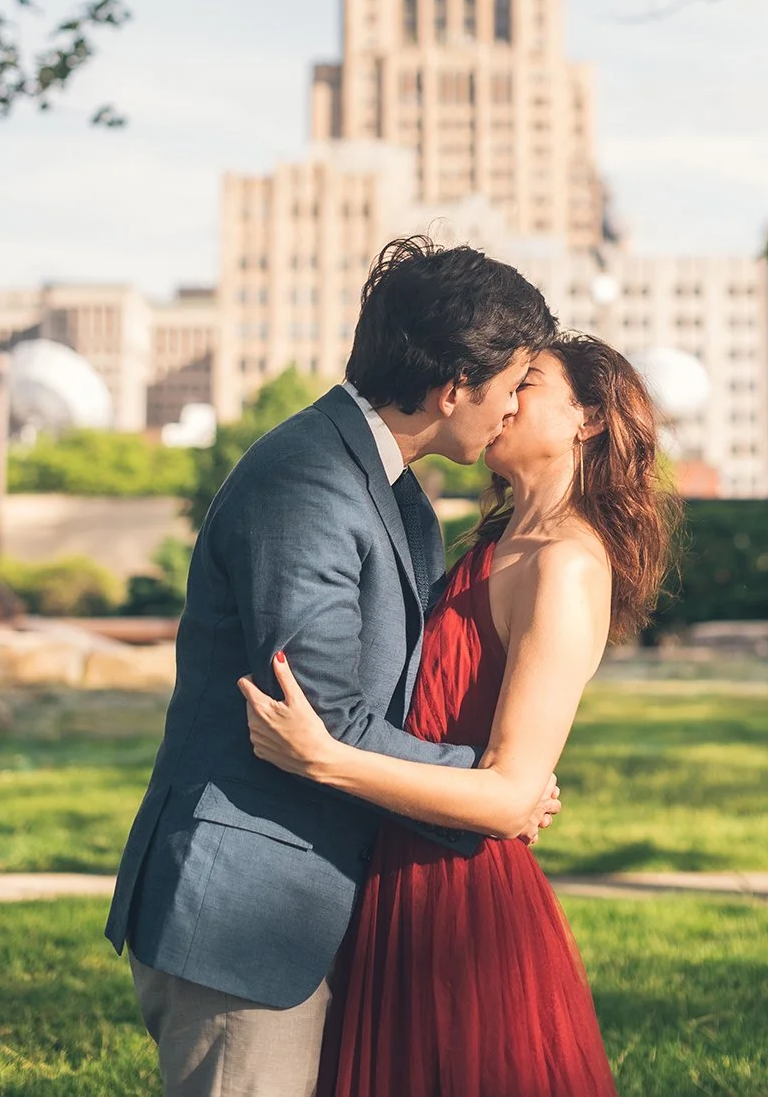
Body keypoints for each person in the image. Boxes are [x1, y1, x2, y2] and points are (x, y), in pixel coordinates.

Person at [105, 236, 561, 1097]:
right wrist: (498, 789)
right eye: (507, 388)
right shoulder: (308, 482)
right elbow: (318, 716)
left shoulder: (379, 481)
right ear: (453, 385)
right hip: (242, 913)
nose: (509, 411)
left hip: (310, 900)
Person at [240, 335, 677, 1097]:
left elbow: (510, 794)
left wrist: (324, 757)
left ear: (589, 420)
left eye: (527, 383)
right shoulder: (492, 540)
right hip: (397, 882)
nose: (502, 398)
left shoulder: (566, 563)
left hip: (463, 902)